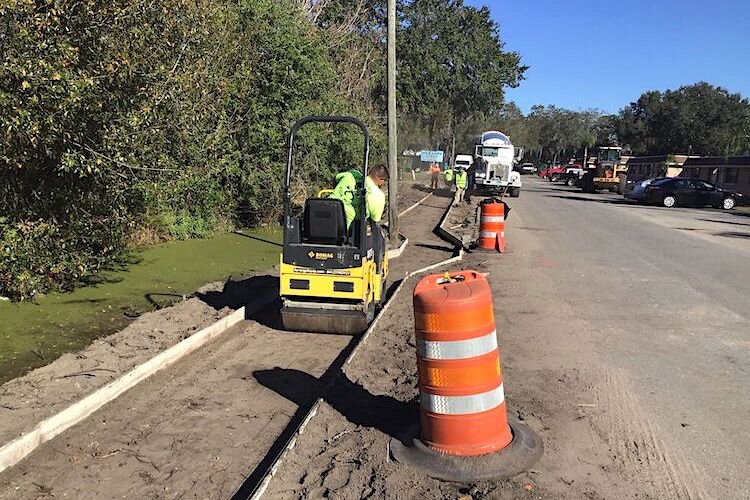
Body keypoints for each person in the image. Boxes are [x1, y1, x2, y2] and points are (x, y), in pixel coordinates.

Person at [330, 164, 389, 230]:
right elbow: (375, 219)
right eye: (385, 180)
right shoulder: (378, 196)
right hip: (342, 227)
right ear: (381, 181)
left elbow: (335, 179)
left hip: (325, 209)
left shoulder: (353, 174)